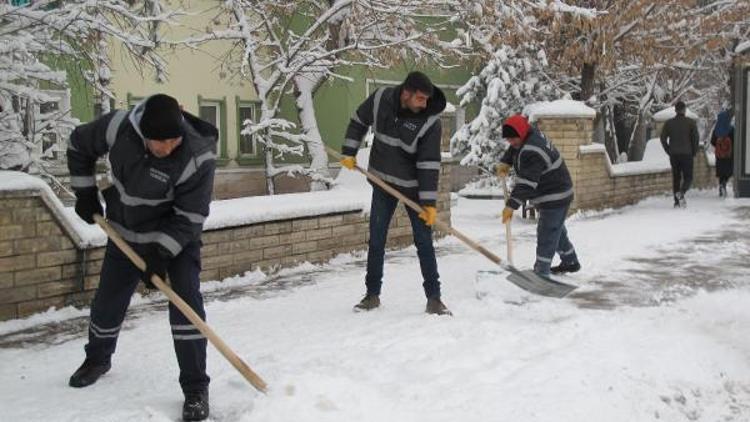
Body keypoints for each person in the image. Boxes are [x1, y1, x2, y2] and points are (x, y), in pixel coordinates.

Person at [66, 94, 217, 421]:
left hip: (176, 236)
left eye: (174, 139)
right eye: (160, 142)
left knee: (186, 304)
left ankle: (195, 388)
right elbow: (79, 145)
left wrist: (161, 254)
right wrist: (86, 193)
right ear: (143, 134)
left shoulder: (198, 153)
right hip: (125, 231)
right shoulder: (119, 127)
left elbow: (191, 215)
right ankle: (97, 358)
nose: (169, 147)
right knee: (108, 301)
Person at [340, 71, 451, 316]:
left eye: (426, 99)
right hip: (382, 181)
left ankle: (434, 298)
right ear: (406, 93)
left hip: (413, 189)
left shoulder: (431, 121)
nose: (423, 104)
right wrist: (349, 151)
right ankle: (372, 295)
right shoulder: (380, 100)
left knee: (424, 242)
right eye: (420, 99)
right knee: (377, 239)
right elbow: (359, 120)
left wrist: (429, 204)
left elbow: (428, 164)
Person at [496, 114, 580, 277]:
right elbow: (515, 148)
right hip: (553, 192)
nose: (511, 143)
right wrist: (506, 161)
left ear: (521, 133)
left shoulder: (532, 150)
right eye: (508, 140)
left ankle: (541, 272)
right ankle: (570, 261)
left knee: (547, 232)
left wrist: (511, 206)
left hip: (555, 194)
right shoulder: (527, 135)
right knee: (555, 229)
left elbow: (527, 183)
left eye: (513, 139)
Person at [660, 101, 699, 208]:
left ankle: (677, 202)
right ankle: (681, 192)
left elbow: (663, 138)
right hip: (687, 154)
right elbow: (695, 139)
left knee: (676, 177)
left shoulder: (669, 123)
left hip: (674, 155)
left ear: (675, 110)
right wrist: (694, 151)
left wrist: (668, 150)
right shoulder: (690, 123)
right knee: (688, 177)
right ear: (684, 110)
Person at [710, 109, 734, 197]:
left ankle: (721, 185)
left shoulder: (716, 130)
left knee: (721, 172)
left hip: (719, 156)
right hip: (729, 155)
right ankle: (724, 183)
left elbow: (712, 142)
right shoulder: (731, 129)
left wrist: (719, 146)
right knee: (728, 172)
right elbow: (735, 142)